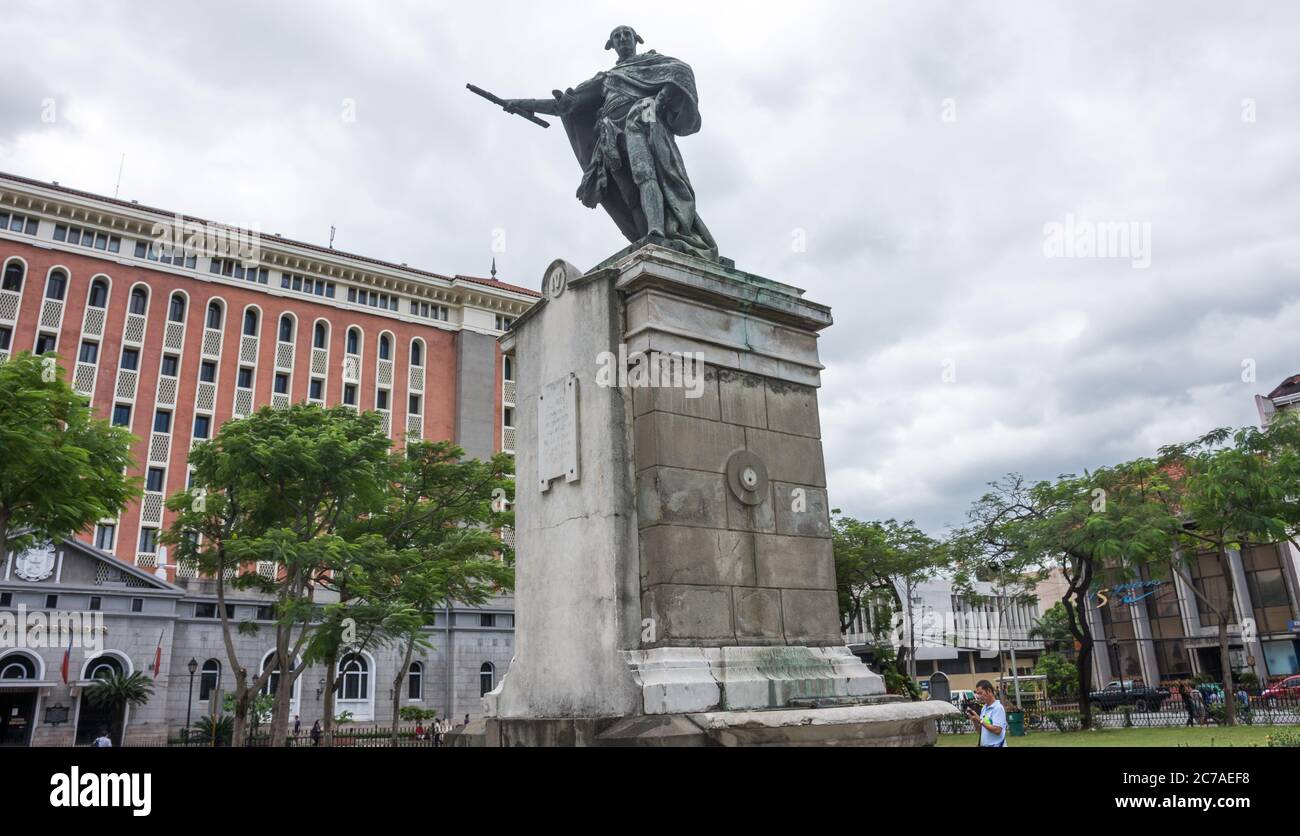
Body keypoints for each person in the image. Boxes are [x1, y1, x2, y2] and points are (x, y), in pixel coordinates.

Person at [501, 25, 720, 261]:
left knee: (645, 174)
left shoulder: (650, 63)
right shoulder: (606, 79)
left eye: (627, 34)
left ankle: (656, 230)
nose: (623, 38)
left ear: (637, 40)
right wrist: (520, 104)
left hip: (641, 123)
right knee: (627, 194)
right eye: (617, 36)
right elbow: (565, 106)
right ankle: (643, 235)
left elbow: (681, 72)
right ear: (610, 45)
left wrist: (658, 101)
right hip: (611, 136)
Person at [966, 680, 1007, 747]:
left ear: (989, 691)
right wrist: (975, 721)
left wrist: (980, 720)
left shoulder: (998, 708)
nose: (978, 696)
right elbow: (981, 731)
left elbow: (997, 730)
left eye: (980, 693)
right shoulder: (984, 708)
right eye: (977, 694)